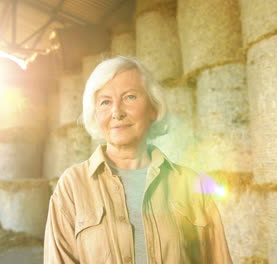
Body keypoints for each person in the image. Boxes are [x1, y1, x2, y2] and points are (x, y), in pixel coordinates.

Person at [44, 56, 233, 264]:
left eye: (130, 97)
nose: (117, 112)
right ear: (96, 115)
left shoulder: (192, 184)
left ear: (153, 108)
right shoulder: (72, 186)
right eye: (105, 102)